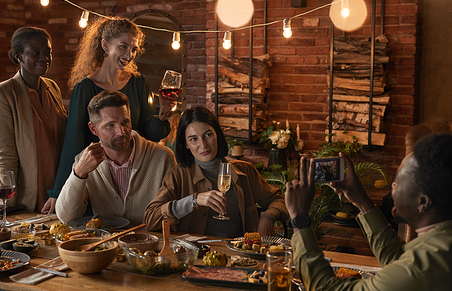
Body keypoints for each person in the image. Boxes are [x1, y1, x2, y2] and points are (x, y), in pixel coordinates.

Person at [285, 133, 452, 291]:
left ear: (422, 202)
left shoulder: (421, 269)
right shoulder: (440, 247)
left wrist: (299, 219)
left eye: (397, 182)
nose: (392, 188)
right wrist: (362, 201)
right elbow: (398, 258)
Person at [48, 16, 177, 203]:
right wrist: (59, 192)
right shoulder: (84, 88)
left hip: (134, 174)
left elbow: (149, 134)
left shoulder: (139, 83)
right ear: (106, 46)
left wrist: (164, 112)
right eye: (123, 46)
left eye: (133, 49)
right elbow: (73, 141)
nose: (129, 54)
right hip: (98, 179)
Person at [144, 107, 288, 238]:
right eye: (193, 139)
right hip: (195, 258)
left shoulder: (245, 171)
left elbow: (278, 199)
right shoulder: (177, 175)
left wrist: (268, 217)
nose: (203, 145)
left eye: (208, 135)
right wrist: (193, 201)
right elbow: (150, 218)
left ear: (217, 135)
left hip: (239, 258)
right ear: (186, 144)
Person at [55, 90, 176, 226]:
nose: (121, 132)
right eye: (110, 125)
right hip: (106, 245)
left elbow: (176, 214)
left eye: (125, 122)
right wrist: (79, 173)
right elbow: (66, 217)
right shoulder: (84, 161)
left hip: (150, 243)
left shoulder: (163, 157)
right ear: (94, 129)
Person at [0, 27, 67, 215]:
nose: (44, 58)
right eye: (35, 53)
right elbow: (4, 151)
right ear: (19, 56)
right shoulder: (3, 93)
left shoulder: (52, 88)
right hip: (28, 195)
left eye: (48, 52)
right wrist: (5, 202)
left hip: (58, 190)